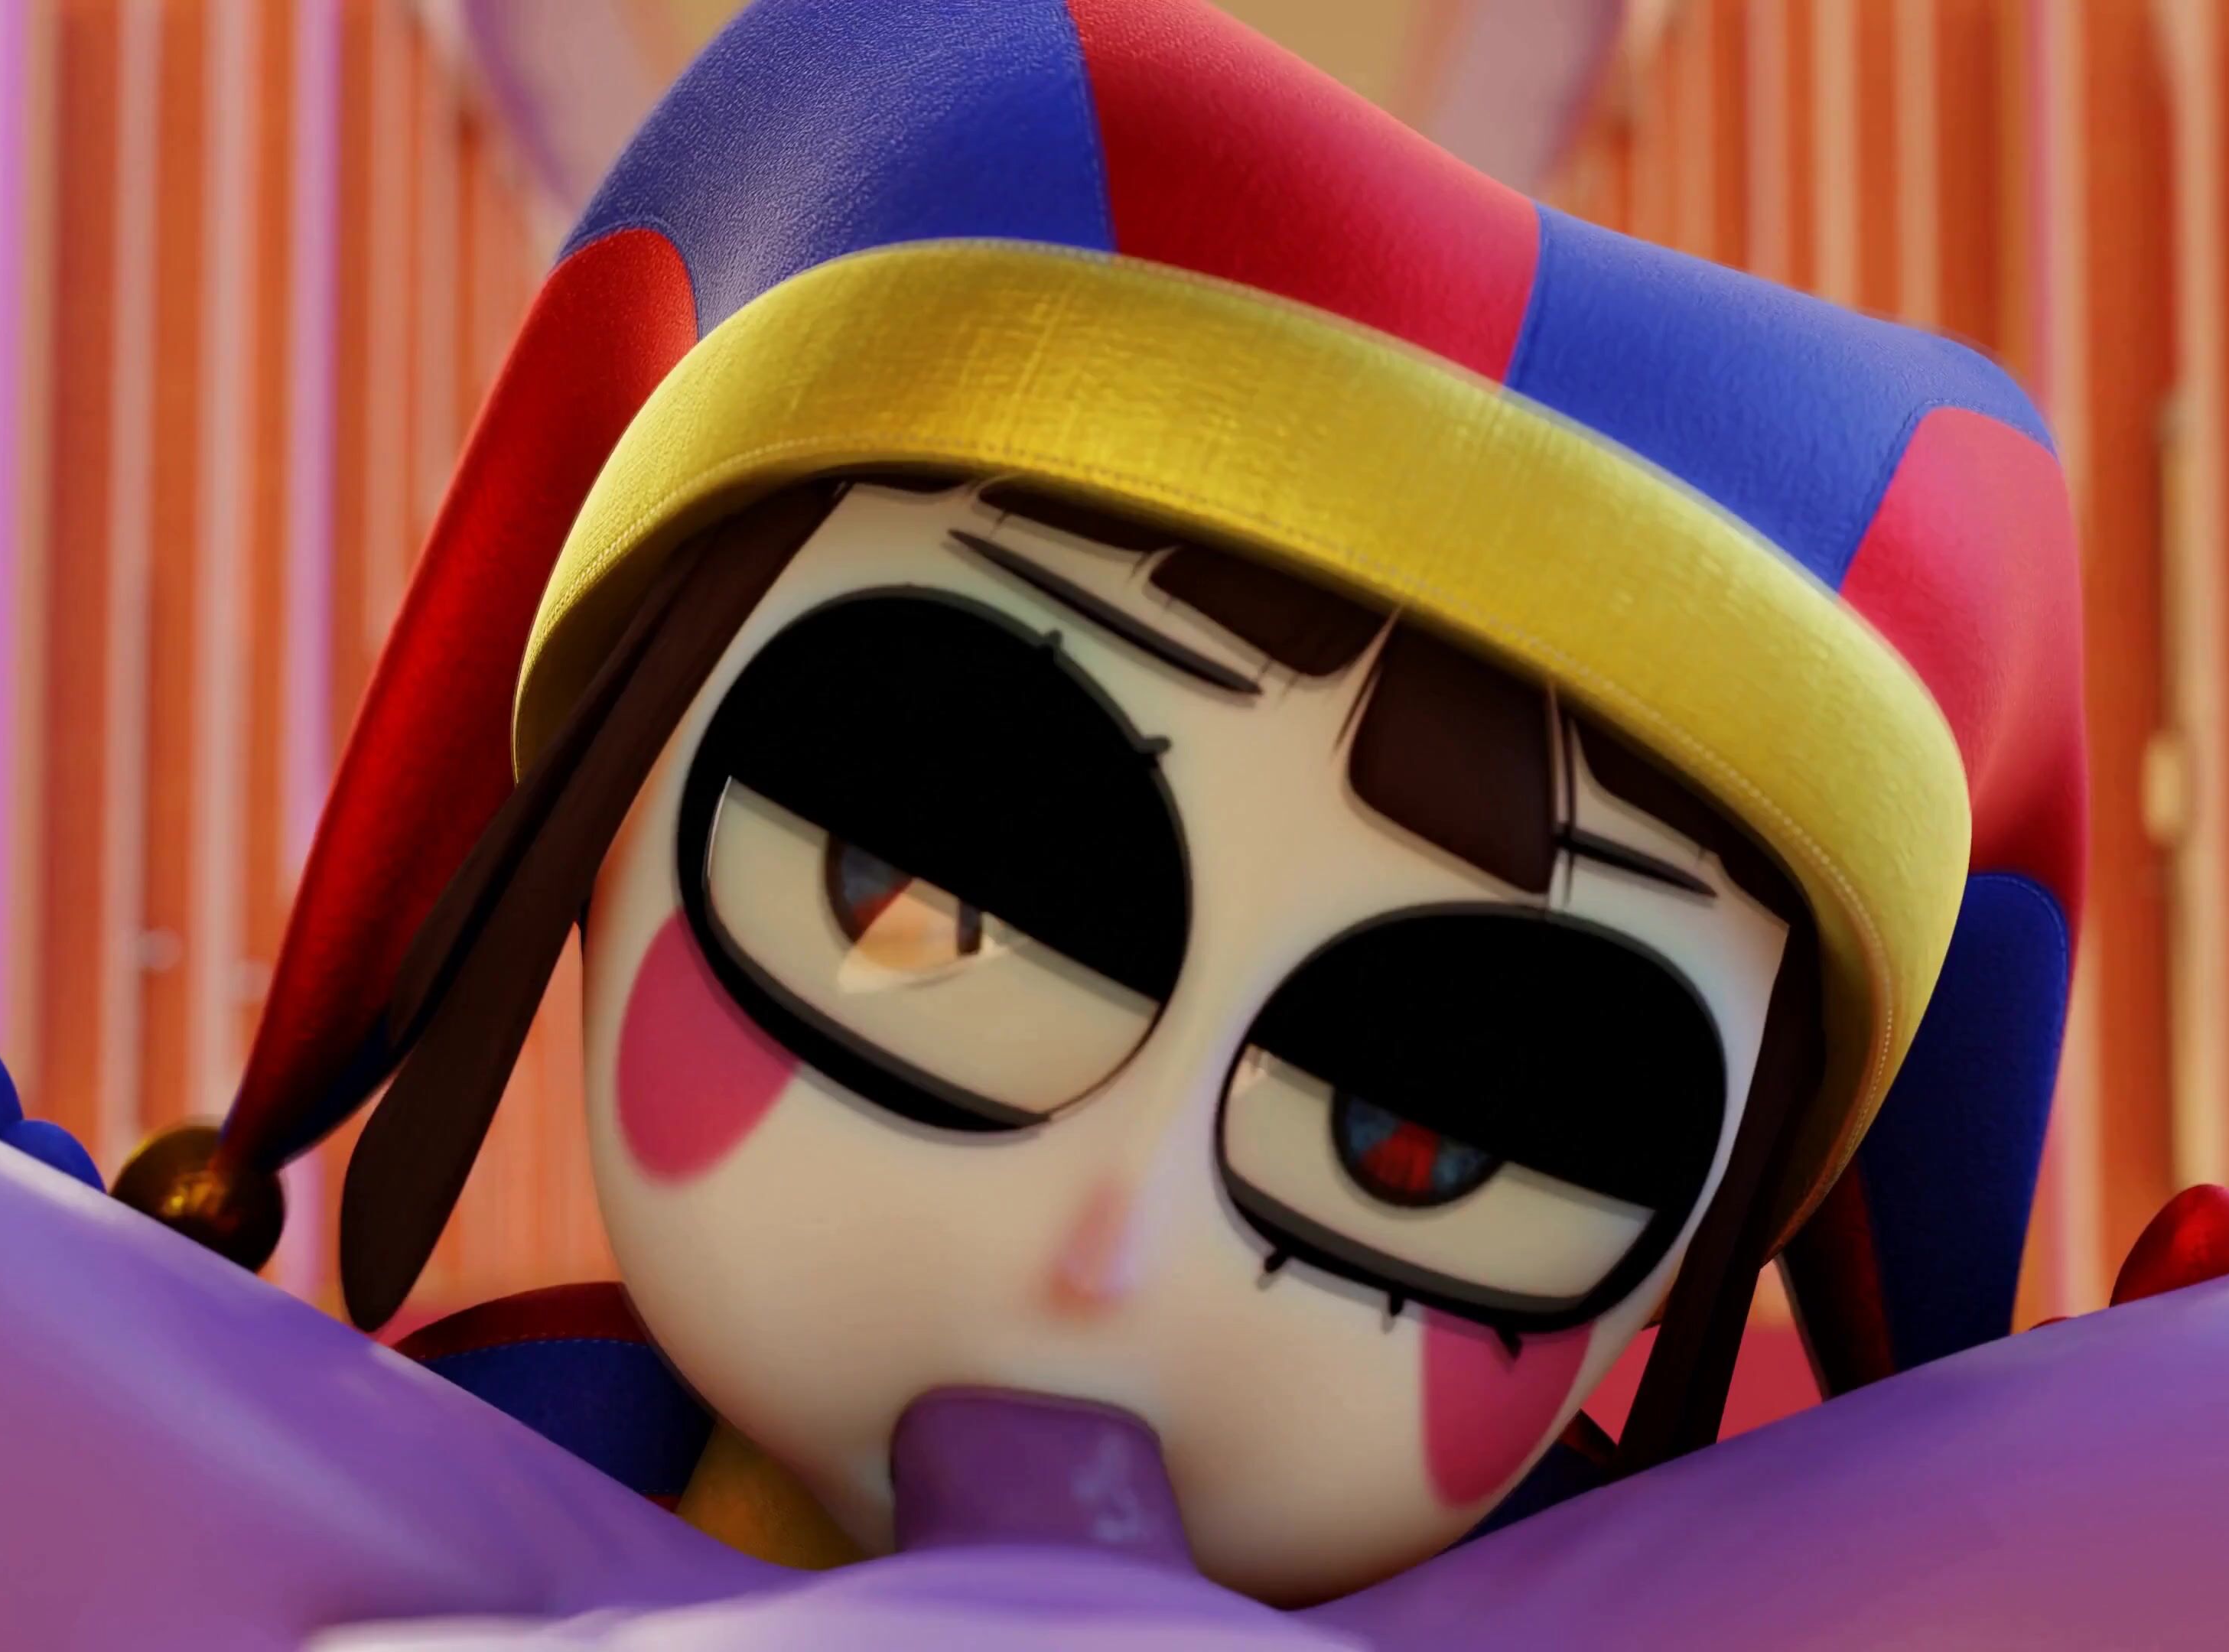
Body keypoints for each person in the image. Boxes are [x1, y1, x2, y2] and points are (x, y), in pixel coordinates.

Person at [106, 0, 2090, 1605]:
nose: (1108, 1250)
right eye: (923, 913)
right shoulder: (490, 1472)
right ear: (608, 831)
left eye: (1421, 1145)